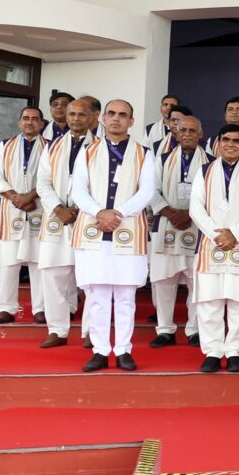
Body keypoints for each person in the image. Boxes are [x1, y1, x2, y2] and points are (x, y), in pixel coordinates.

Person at [70, 100, 156, 372]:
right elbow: (78, 190)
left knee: (125, 296)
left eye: (123, 115)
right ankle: (99, 350)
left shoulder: (144, 153)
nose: (116, 119)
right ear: (103, 119)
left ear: (131, 121)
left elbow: (147, 191)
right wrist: (99, 212)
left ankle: (122, 350)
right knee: (96, 295)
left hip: (127, 228)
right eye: (111, 114)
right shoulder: (87, 151)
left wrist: (117, 213)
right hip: (94, 230)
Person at [189, 124, 239, 372]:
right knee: (209, 301)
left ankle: (234, 351)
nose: (230, 144)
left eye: (236, 141)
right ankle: (213, 351)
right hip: (212, 242)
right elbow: (195, 207)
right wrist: (217, 234)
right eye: (226, 139)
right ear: (218, 143)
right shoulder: (204, 171)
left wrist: (234, 233)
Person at [35, 98, 97, 347]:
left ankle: (91, 331)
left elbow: (104, 187)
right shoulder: (53, 146)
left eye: (81, 115)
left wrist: (80, 209)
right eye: (72, 114)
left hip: (88, 218)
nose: (75, 119)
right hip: (58, 218)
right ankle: (57, 330)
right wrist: (59, 208)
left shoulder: (102, 147)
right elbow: (43, 182)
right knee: (53, 275)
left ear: (93, 118)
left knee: (92, 278)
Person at [147, 115, 207, 347]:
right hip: (167, 224)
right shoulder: (161, 159)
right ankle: (164, 329)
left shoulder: (211, 161)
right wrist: (170, 212)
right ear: (175, 133)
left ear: (201, 134)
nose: (188, 134)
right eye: (183, 130)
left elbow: (213, 194)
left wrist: (190, 214)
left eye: (193, 130)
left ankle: (194, 329)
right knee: (164, 281)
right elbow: (150, 190)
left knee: (197, 282)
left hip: (197, 227)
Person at [0, 106, 48, 324]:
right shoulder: (5, 146)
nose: (30, 122)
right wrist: (16, 197)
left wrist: (30, 196)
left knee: (40, 261)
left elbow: (53, 180)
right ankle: (6, 308)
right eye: (25, 118)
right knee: (7, 262)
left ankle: (41, 308)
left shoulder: (51, 147)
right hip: (11, 209)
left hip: (39, 208)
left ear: (42, 123)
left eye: (35, 119)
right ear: (19, 122)